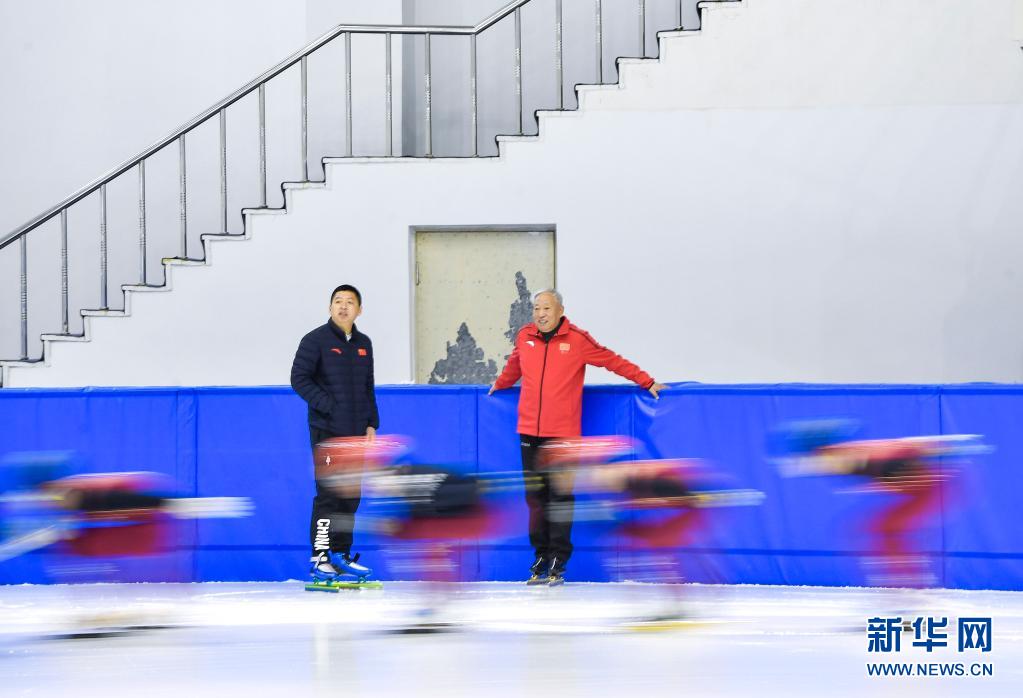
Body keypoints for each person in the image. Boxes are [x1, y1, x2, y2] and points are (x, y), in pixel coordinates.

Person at [489, 289, 666, 585]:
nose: (540, 314)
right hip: (529, 431)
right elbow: (514, 365)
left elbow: (612, 360)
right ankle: (541, 556)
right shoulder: (525, 337)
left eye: (546, 308)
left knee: (559, 498)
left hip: (563, 437)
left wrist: (646, 380)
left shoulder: (577, 340)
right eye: (536, 309)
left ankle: (559, 558)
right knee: (535, 498)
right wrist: (500, 383)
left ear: (560, 311)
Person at [291, 284, 379, 583]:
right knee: (328, 497)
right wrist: (329, 406)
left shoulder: (364, 343)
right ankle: (320, 557)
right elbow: (299, 379)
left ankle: (340, 554)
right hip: (327, 432)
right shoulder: (315, 340)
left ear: (359, 309)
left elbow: (368, 386)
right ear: (330, 307)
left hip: (356, 434)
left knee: (350, 497)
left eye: (350, 302)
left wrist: (371, 423)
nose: (343, 307)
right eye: (338, 301)